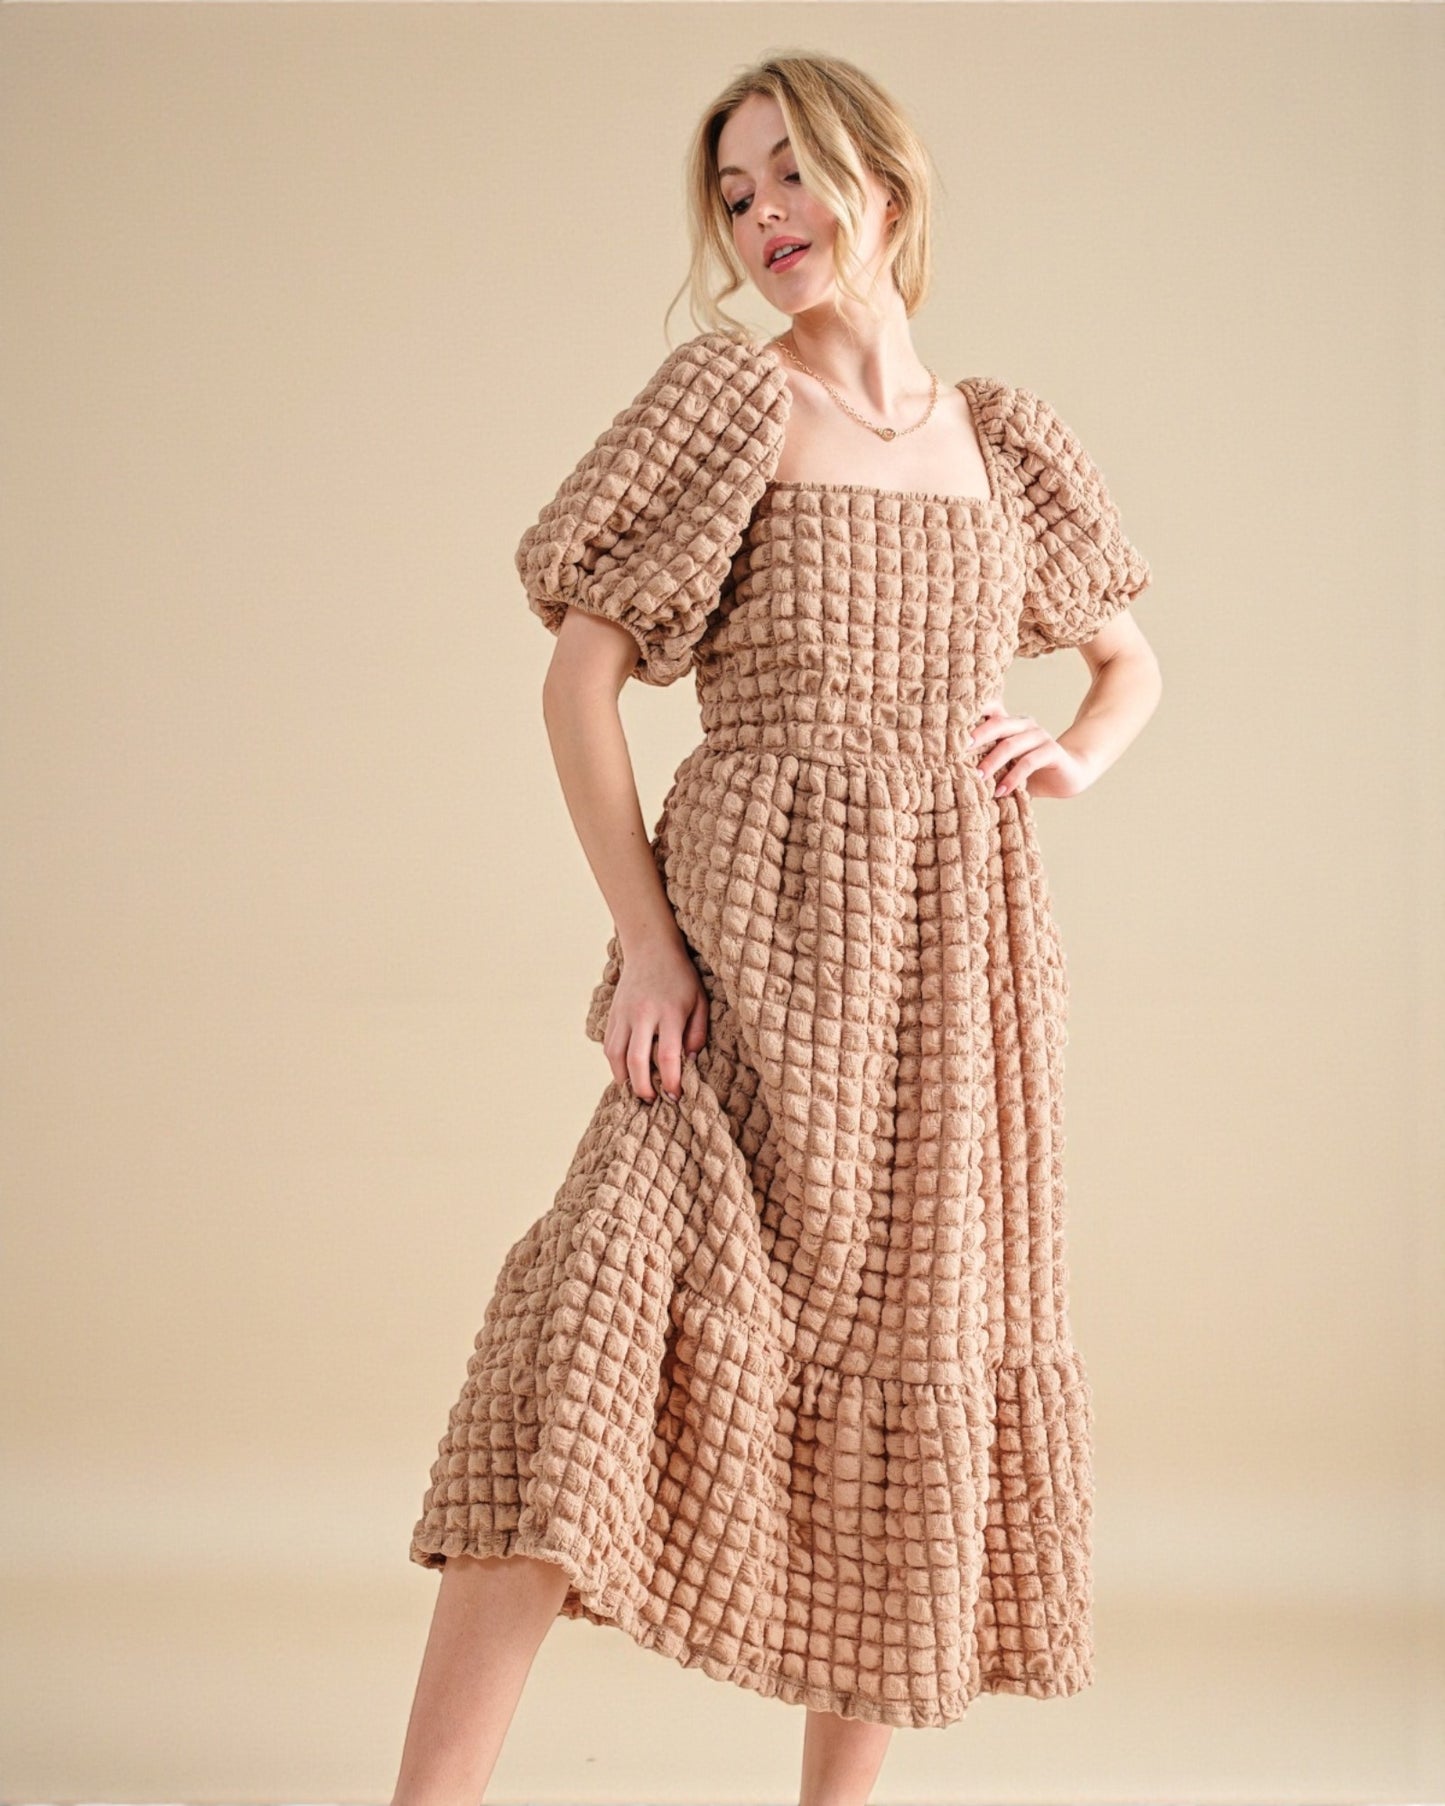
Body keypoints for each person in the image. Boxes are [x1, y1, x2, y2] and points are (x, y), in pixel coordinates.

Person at [391, 50, 1161, 1806]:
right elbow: (577, 682)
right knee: (585, 1332)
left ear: (880, 182)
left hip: (947, 979)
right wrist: (648, 946)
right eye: (733, 195)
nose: (761, 220)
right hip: (745, 946)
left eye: (788, 176)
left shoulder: (1005, 435)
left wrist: (1069, 754)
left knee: (917, 1353)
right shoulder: (724, 404)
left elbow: (1129, 656)